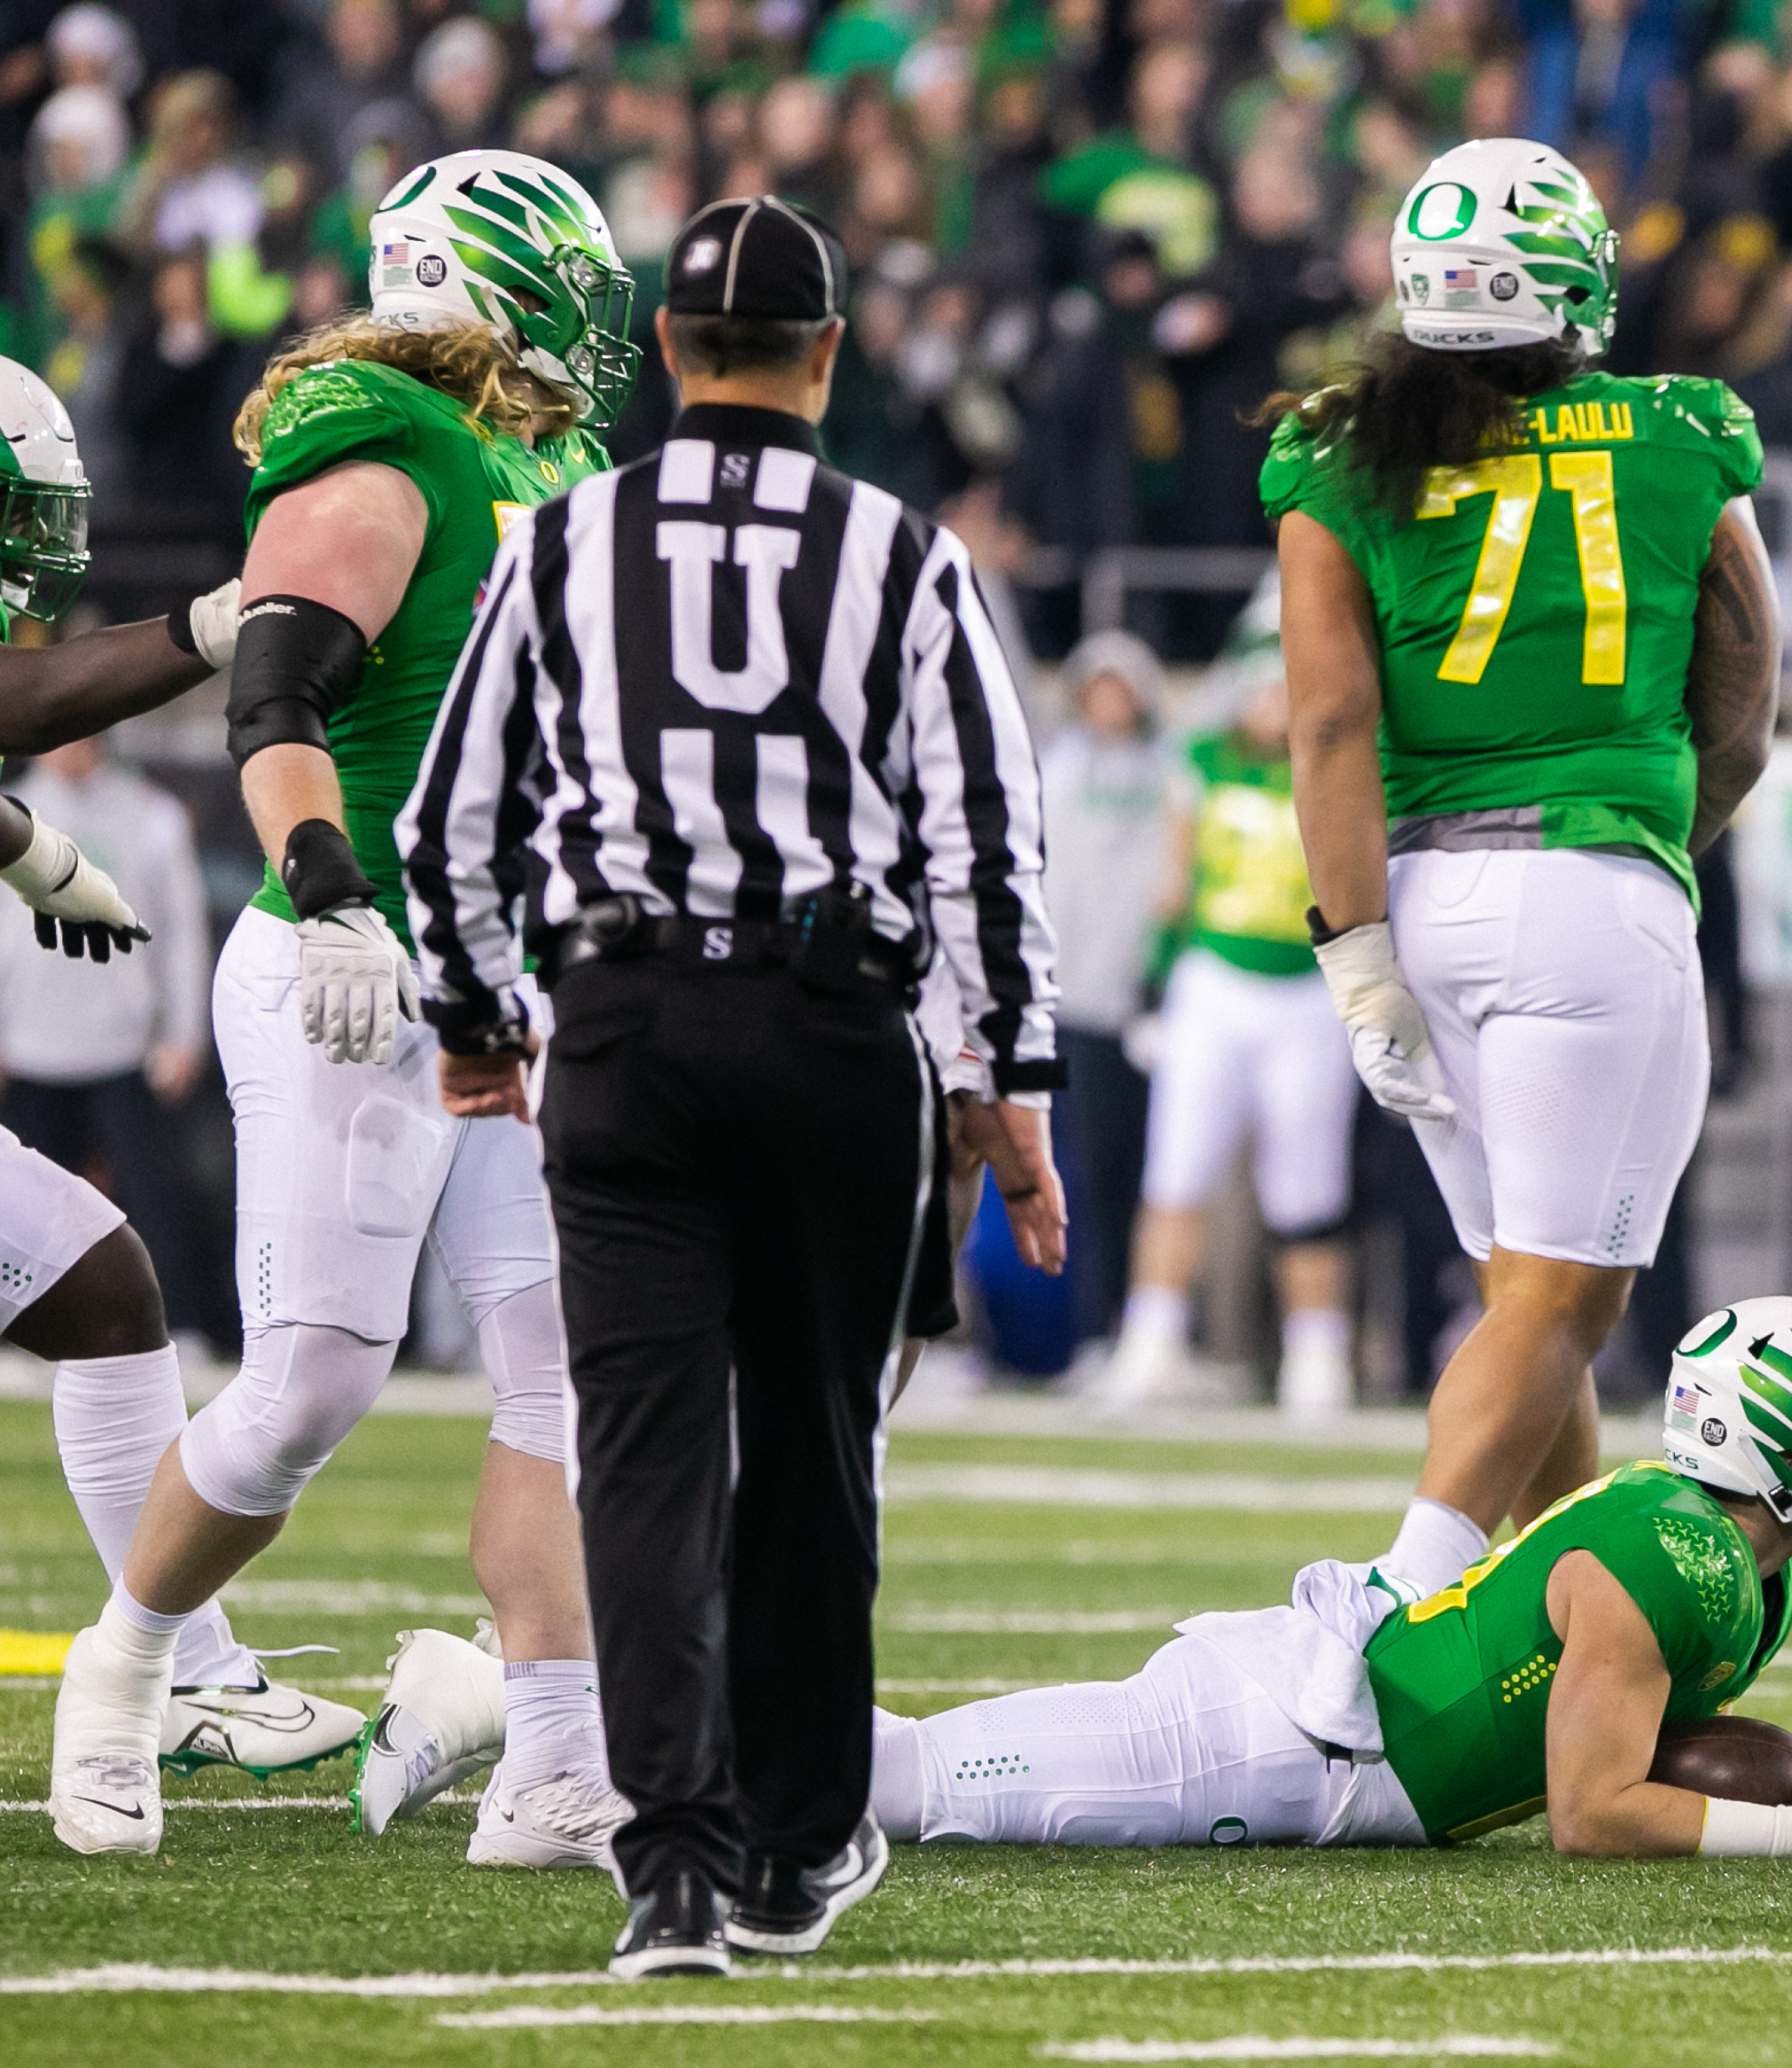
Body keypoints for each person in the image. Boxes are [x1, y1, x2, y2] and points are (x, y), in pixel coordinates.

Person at [398, 194, 1064, 1980]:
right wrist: (1008, 1087)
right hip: (830, 1027)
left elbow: (445, 820)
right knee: (810, 1450)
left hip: (617, 1023)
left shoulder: (563, 538)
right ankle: (785, 1843)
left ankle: (669, 1864)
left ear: (674, 353)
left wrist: (473, 1016)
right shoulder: (900, 554)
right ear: (827, 356)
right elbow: (984, 844)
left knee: (643, 1454)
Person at [48, 151, 638, 1868]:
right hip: (355, 962)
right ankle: (125, 1665)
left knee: (568, 1367)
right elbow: (280, 677)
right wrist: (326, 890)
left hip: (513, 968)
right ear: (483, 275)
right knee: (312, 1375)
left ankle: (549, 1757)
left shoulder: (554, 455)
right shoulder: (386, 428)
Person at [0, 348, 353, 1807]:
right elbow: (13, 703)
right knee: (107, 1290)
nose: (34, 532)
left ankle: (195, 1669)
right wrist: (221, 622)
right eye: (3, 502)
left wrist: (50, 866)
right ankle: (195, 1674)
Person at [1266, 140, 1780, 1604]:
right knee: (1560, 1298)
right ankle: (1384, 1608)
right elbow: (1744, 700)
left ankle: (1558, 1625)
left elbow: (1327, 723)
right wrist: (1663, 845)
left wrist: (1355, 950)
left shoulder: (1337, 447)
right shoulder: (1679, 429)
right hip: (1589, 888)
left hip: (1414, 904)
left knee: (1524, 1302)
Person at [873, 1298, 1792, 1861]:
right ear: (1768, 1436)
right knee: (897, 1785)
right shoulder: (1673, 1558)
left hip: (1350, 1761)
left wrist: (1789, 1774)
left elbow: (1625, 1733)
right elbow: (1589, 1815)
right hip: (1280, 1734)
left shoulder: (1753, 1570)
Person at [1098, 652, 1360, 1420]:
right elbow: (1174, 879)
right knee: (1176, 1168)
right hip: (1213, 980)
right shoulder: (1203, 760)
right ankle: (1150, 1343)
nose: (1272, 704)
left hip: (1310, 989)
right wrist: (1152, 979)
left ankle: (1319, 1357)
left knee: (1309, 1185)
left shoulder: (1338, 763)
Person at [0, 737, 212, 1334]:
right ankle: (10, 1329)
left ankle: (175, 1325)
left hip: (123, 1046)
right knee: (17, 1207)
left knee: (149, 1201)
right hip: (26, 1045)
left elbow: (182, 934)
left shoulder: (151, 813)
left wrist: (183, 1032)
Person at [1040, 629, 1173, 1357]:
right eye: (1098, 687)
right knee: (1084, 1171)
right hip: (1075, 1005)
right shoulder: (1055, 771)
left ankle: (1142, 1330)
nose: (1110, 702)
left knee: (1154, 1170)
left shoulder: (1173, 772)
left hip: (1151, 1004)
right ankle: (1090, 1331)